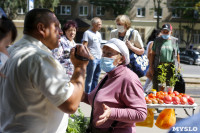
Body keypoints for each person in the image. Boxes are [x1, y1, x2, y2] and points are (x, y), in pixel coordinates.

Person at [0, 8, 89, 133]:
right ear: (41, 28)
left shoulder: (9, 52)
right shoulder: (38, 58)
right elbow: (71, 105)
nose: (60, 32)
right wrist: (80, 67)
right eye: (56, 26)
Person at [82, 38, 147, 133]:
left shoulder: (129, 78)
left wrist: (111, 112)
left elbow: (141, 113)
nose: (104, 57)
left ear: (121, 59)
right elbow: (99, 101)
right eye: (103, 53)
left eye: (109, 54)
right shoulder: (108, 75)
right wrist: (82, 96)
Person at [149, 24, 180, 91]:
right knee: (158, 88)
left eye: (167, 32)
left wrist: (178, 66)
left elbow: (177, 54)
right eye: (164, 32)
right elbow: (152, 54)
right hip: (159, 67)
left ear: (171, 32)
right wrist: (151, 67)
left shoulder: (174, 41)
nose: (165, 33)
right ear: (161, 32)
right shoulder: (157, 40)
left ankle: (168, 100)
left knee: (170, 88)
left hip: (171, 67)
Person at [82, 17, 102, 94]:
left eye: (100, 24)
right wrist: (90, 56)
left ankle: (93, 94)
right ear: (93, 24)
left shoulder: (99, 34)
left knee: (96, 77)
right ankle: (87, 94)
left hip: (99, 58)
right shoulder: (87, 33)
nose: (100, 26)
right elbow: (84, 46)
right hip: (92, 59)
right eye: (99, 24)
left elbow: (99, 46)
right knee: (89, 78)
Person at [143, 29, 161, 93]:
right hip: (150, 64)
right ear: (157, 35)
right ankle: (143, 93)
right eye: (160, 35)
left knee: (150, 81)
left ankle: (144, 93)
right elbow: (150, 54)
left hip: (150, 64)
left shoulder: (152, 42)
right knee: (151, 81)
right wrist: (151, 65)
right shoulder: (153, 43)